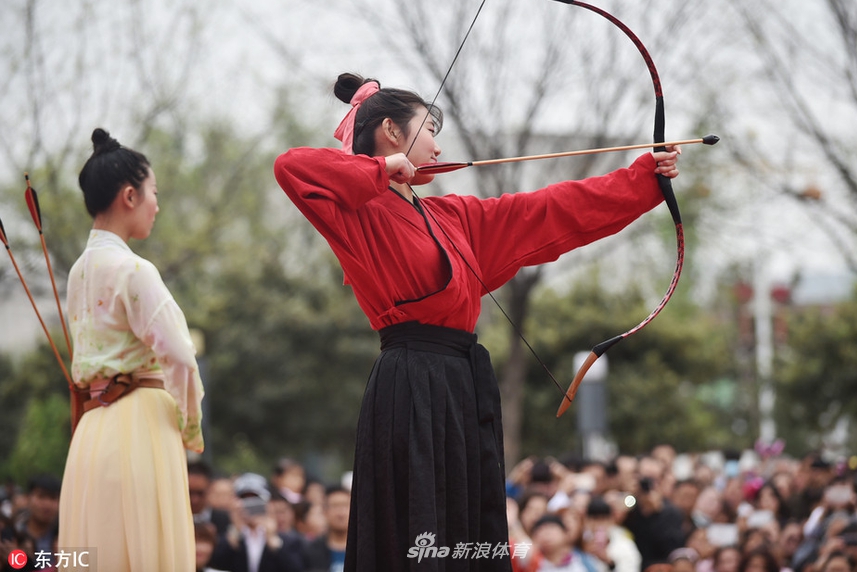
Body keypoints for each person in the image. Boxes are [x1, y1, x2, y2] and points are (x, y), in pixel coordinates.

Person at [273, 72, 681, 572]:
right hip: (410, 382)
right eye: (427, 129)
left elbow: (550, 211)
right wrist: (381, 171)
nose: (438, 145)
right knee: (415, 520)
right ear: (392, 133)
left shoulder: (454, 217)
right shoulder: (357, 209)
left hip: (463, 382)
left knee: (467, 520)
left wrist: (643, 179)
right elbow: (291, 166)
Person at [58, 128, 205, 571]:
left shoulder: (78, 273)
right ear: (129, 196)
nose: (156, 204)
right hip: (141, 423)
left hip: (92, 428)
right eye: (153, 192)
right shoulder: (133, 269)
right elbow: (180, 356)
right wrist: (190, 424)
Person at [305, 485, 351, 572]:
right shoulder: (310, 550)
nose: (341, 513)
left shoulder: (365, 550)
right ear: (324, 511)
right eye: (335, 506)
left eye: (345, 506)